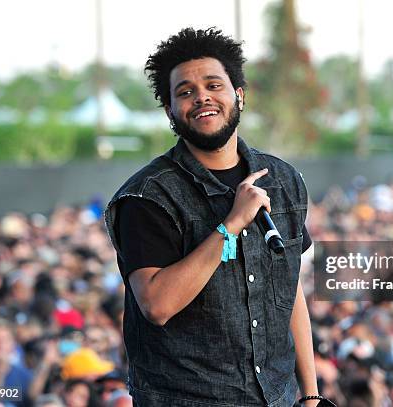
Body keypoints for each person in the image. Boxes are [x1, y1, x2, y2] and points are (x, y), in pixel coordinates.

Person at [104, 27, 323, 406]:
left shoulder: (282, 180)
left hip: (278, 398)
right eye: (185, 91)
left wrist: (311, 395)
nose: (202, 96)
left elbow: (289, 291)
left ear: (238, 95)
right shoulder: (147, 197)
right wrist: (231, 225)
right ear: (171, 111)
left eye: (213, 85)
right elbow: (157, 305)